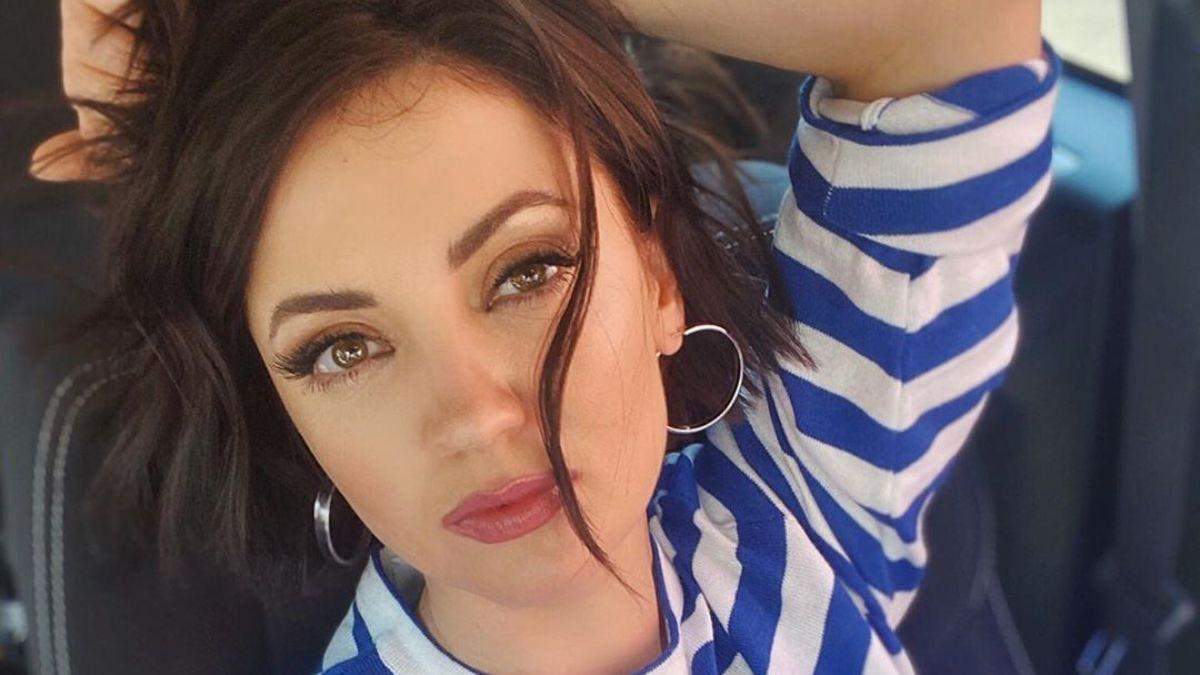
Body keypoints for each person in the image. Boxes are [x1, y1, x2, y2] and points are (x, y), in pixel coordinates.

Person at [29, 0, 1058, 672]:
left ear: (658, 275)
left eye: (528, 271)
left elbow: (952, 32)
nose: (474, 419)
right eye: (343, 348)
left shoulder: (804, 486)